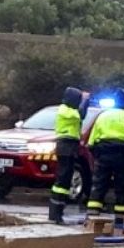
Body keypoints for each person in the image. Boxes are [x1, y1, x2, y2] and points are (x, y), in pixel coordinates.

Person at [85, 90, 124, 217]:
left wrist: (95, 150)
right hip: (123, 154)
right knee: (122, 182)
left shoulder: (103, 116)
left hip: (103, 152)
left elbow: (92, 138)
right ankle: (121, 209)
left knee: (100, 181)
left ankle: (94, 207)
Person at [48, 85, 89, 224]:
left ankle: (57, 212)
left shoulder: (68, 109)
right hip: (65, 145)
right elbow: (81, 114)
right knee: (63, 178)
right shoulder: (66, 110)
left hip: (69, 146)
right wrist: (85, 100)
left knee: (65, 178)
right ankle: (55, 213)